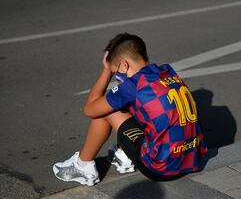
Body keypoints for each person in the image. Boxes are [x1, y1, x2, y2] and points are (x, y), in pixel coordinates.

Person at [53, 33, 207, 185]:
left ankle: (83, 165)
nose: (116, 75)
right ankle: (124, 154)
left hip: (160, 167)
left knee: (106, 110)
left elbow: (90, 109)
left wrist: (107, 70)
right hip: (192, 159)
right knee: (136, 105)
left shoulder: (133, 84)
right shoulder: (167, 72)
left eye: (115, 71)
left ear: (124, 64)